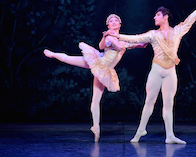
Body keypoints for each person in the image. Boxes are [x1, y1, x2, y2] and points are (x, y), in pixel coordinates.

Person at [106, 0, 196, 144]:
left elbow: (192, 18)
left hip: (170, 72)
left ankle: (170, 136)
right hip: (157, 69)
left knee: (169, 104)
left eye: (157, 15)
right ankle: (140, 131)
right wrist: (116, 35)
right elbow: (134, 39)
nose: (154, 17)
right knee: (149, 101)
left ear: (165, 17)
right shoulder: (153, 34)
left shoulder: (178, 31)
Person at [43, 14, 147, 142]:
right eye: (110, 21)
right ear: (108, 26)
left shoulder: (122, 40)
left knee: (96, 99)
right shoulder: (110, 37)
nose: (113, 22)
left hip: (105, 70)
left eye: (116, 21)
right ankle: (53, 54)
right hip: (99, 62)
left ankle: (96, 127)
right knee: (69, 59)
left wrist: (148, 40)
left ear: (120, 24)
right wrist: (111, 38)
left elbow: (140, 45)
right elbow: (103, 46)